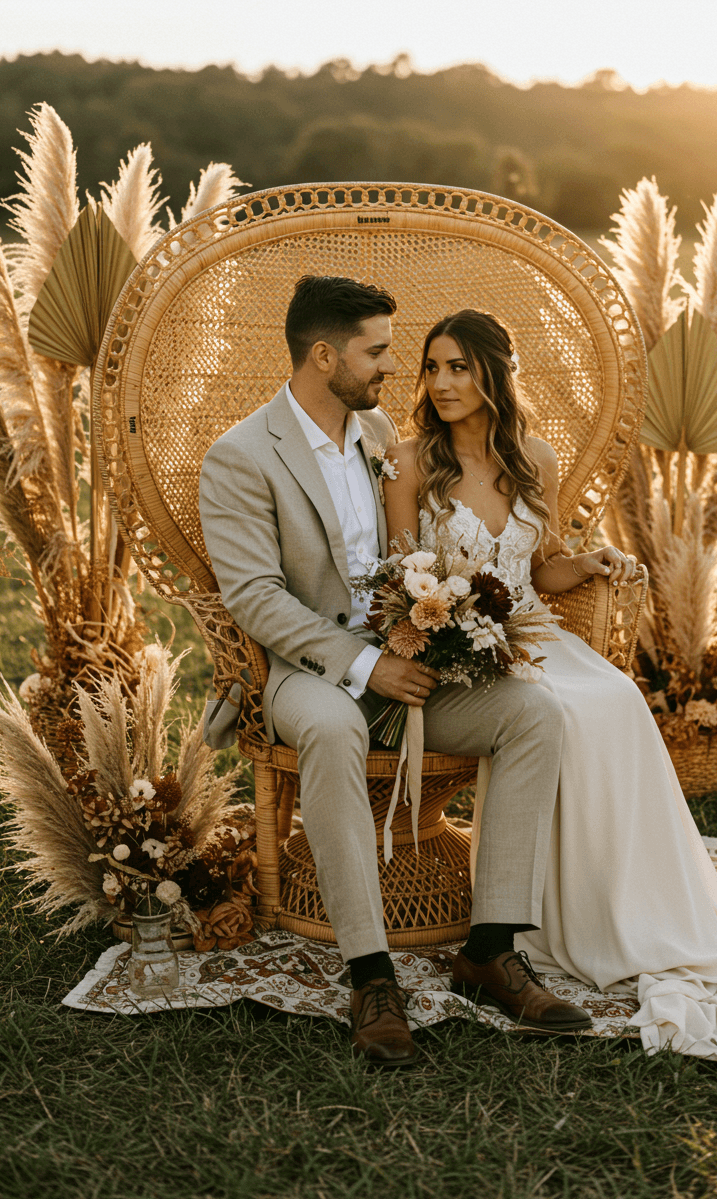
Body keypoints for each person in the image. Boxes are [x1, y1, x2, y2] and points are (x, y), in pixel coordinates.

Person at [383, 307, 717, 1074]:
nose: (442, 383)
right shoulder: (411, 461)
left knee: (612, 700)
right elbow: (399, 576)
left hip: (536, 634)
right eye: (432, 367)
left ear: (493, 375)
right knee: (559, 712)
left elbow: (538, 564)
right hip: (456, 651)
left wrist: (585, 565)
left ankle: (626, 906)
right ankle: (515, 937)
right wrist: (447, 628)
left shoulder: (532, 459)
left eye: (459, 367)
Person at [199, 275, 592, 1069]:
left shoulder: (382, 435)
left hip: (416, 662)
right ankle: (371, 977)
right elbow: (253, 597)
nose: (392, 369)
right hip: (309, 670)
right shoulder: (239, 457)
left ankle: (488, 950)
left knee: (534, 715)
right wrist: (365, 663)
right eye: (376, 351)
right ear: (323, 354)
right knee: (336, 726)